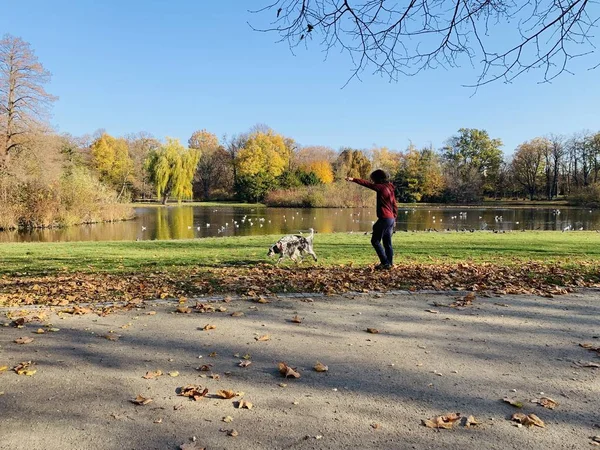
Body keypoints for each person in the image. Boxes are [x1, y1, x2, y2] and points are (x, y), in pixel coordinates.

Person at [346, 170, 397, 269]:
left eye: (373, 179)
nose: (372, 181)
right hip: (390, 219)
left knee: (375, 241)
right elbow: (395, 205)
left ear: (378, 179)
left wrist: (353, 179)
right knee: (387, 243)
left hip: (384, 218)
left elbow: (367, 184)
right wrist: (394, 218)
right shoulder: (390, 189)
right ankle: (389, 263)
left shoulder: (381, 187)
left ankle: (385, 263)